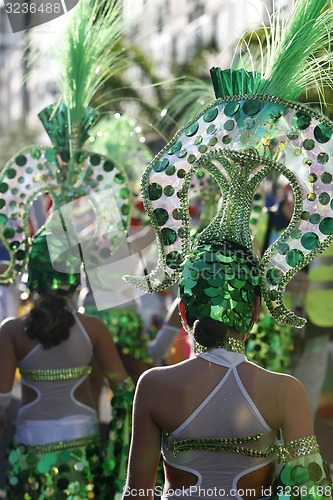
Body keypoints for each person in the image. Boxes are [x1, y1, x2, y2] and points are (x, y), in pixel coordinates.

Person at [124, 241, 332, 500]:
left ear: (182, 313)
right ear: (256, 311)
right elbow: (311, 492)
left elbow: (137, 494)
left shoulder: (154, 386)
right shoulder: (285, 391)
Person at [0, 232, 132, 499]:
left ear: (33, 275)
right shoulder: (94, 328)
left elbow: (2, 398)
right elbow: (124, 389)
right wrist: (119, 444)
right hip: (82, 440)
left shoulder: (12, 330)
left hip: (30, 438)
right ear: (74, 278)